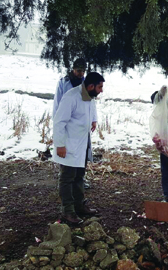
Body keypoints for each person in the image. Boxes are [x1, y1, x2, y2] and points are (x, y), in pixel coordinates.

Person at [53, 72, 104, 225]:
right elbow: (59, 122)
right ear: (90, 86)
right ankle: (68, 211)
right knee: (67, 178)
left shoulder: (89, 96)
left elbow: (90, 107)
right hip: (69, 145)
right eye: (100, 87)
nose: (101, 90)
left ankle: (79, 206)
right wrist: (60, 144)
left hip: (82, 143)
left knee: (79, 176)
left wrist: (93, 120)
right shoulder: (71, 97)